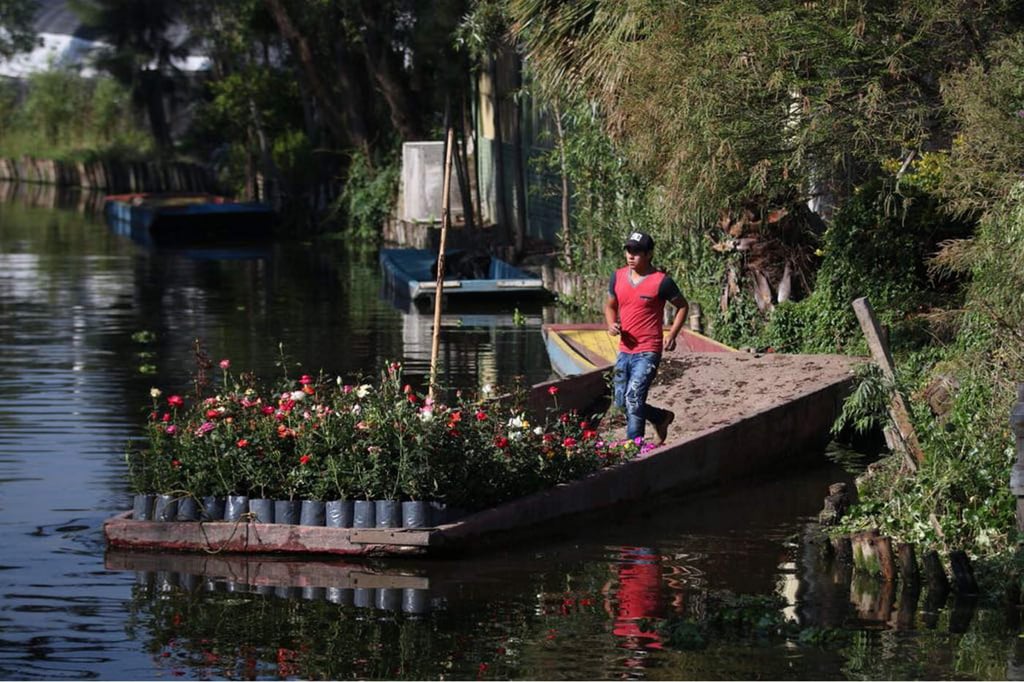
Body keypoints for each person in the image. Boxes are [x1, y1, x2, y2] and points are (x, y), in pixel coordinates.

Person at [604, 231, 688, 444]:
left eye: (637, 251)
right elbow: (610, 306)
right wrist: (611, 324)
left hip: (648, 350)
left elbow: (682, 306)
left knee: (634, 398)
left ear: (649, 254)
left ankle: (635, 445)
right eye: (628, 250)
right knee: (621, 401)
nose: (631, 255)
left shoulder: (662, 282)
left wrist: (672, 334)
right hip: (625, 349)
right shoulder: (618, 276)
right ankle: (661, 418)